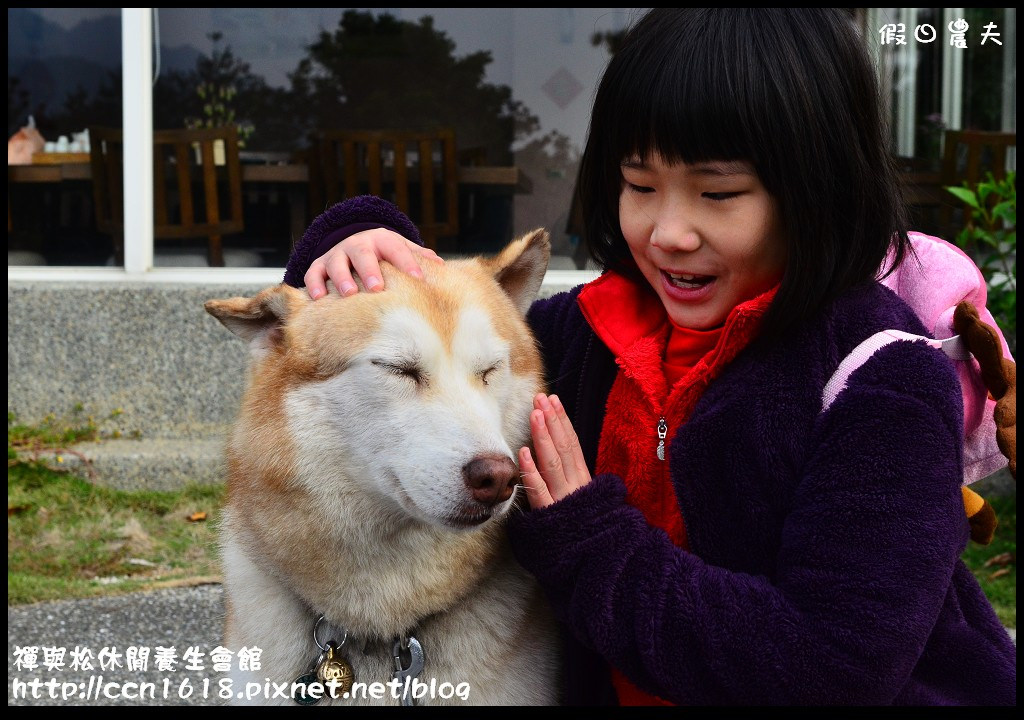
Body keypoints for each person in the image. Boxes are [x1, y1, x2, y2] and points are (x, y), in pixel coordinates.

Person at [283, 8, 1016, 705]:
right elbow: (438, 337)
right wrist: (354, 242)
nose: (668, 231)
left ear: (818, 189)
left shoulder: (882, 380)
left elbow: (832, 666)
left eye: (718, 193)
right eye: (639, 185)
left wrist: (592, 543)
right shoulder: (581, 335)